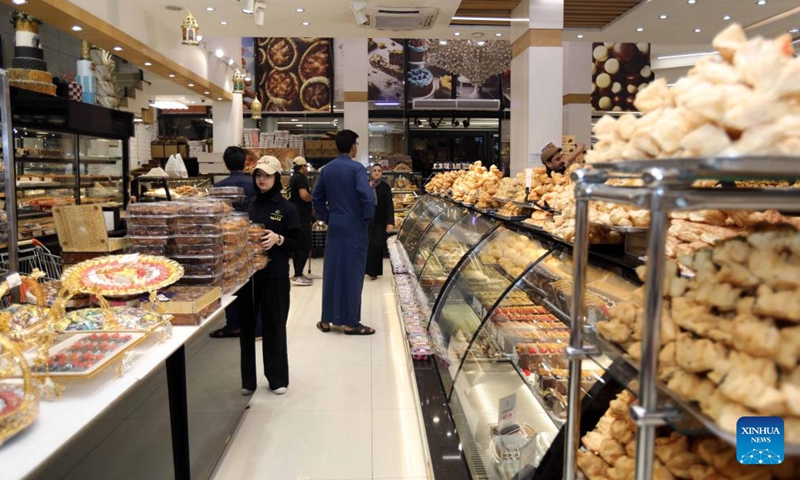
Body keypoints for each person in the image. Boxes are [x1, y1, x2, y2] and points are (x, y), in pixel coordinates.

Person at [238, 156, 301, 396]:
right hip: (248, 276)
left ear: (277, 178)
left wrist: (279, 238)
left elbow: (297, 244)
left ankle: (277, 378)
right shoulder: (247, 205)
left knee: (275, 324)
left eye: (267, 175)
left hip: (275, 274)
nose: (262, 179)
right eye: (258, 175)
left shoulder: (287, 208)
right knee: (246, 326)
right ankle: (248, 380)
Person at [312, 130, 377, 336]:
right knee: (353, 273)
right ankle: (350, 323)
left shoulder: (327, 169)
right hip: (354, 226)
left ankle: (326, 320)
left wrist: (327, 216)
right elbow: (366, 197)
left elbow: (317, 197)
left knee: (332, 271)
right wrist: (367, 217)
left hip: (336, 225)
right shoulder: (357, 169)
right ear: (353, 147)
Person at [210, 146, 258, 339]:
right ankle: (252, 321)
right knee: (250, 279)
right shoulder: (254, 184)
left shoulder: (217, 187)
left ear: (225, 163)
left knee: (229, 281)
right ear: (245, 162)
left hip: (227, 242)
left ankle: (234, 324)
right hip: (251, 238)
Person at [288, 156, 314, 286]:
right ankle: (298, 274)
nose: (307, 169)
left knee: (297, 247)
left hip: (295, 217)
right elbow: (304, 195)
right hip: (302, 217)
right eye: (306, 167)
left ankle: (297, 273)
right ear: (303, 167)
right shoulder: (300, 178)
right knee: (305, 245)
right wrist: (313, 198)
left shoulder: (293, 178)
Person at [366, 164, 394, 280]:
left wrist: (390, 222)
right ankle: (366, 270)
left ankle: (374, 272)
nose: (377, 173)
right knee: (367, 245)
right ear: (371, 173)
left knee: (377, 246)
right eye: (374, 171)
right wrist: (367, 188)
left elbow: (389, 205)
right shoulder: (365, 185)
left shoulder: (385, 187)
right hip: (366, 220)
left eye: (379, 171)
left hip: (380, 220)